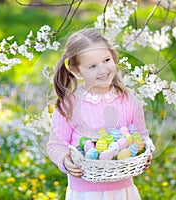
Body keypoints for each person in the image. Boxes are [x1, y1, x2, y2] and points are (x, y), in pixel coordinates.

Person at [47, 28, 155, 200]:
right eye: (92, 66)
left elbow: (140, 135)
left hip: (123, 190)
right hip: (85, 192)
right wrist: (65, 161)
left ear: (113, 56)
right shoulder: (70, 104)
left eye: (106, 60)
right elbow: (55, 145)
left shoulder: (129, 100)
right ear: (76, 70)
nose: (103, 70)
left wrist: (145, 152)